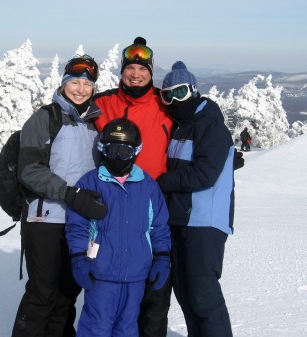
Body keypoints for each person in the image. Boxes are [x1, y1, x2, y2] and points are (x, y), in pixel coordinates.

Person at [12, 55, 108, 337]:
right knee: (42, 294)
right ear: (64, 83)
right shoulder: (46, 118)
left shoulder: (95, 123)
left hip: (79, 222)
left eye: (87, 84)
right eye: (75, 82)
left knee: (67, 295)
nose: (80, 89)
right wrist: (69, 194)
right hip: (45, 219)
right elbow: (29, 170)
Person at [93, 36, 173, 337]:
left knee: (154, 294)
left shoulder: (165, 106)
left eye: (142, 68)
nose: (136, 74)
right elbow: (69, 114)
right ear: (122, 71)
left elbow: (195, 123)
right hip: (110, 209)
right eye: (130, 68)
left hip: (153, 210)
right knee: (110, 291)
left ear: (151, 73)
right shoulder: (102, 104)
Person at [65, 118, 171, 337]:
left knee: (127, 328)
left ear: (135, 152)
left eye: (125, 151)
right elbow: (77, 225)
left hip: (136, 275)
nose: (118, 157)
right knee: (96, 327)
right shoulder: (90, 183)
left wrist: (162, 256)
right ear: (103, 150)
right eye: (112, 150)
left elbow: (159, 225)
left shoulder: (147, 185)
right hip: (101, 274)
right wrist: (77, 258)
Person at [156, 61, 235, 336]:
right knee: (187, 296)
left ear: (194, 91)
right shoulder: (183, 126)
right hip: (181, 220)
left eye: (180, 93)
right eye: (168, 95)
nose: (174, 101)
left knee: (203, 297)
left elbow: (204, 175)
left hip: (204, 223)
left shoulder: (209, 125)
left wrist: (163, 181)